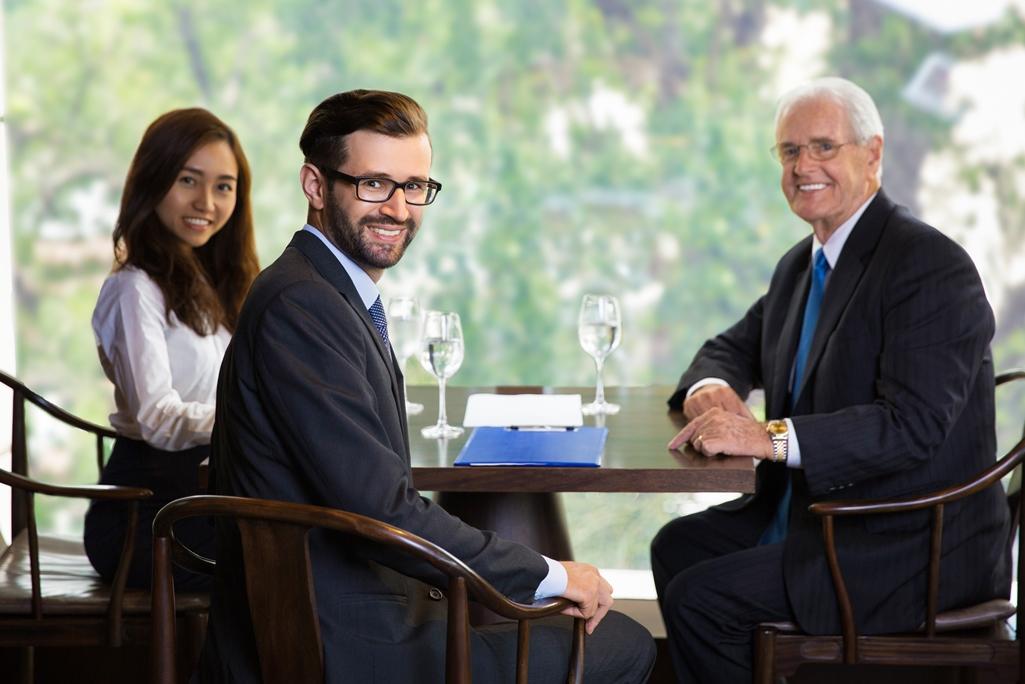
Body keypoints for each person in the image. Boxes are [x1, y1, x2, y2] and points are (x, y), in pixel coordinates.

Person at [199, 89, 655, 683]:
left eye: (415, 186)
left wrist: (528, 577)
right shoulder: (302, 306)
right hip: (341, 641)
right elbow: (384, 511)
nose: (398, 208)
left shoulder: (325, 291)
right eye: (374, 184)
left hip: (363, 608)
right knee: (624, 643)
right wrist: (555, 575)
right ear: (315, 185)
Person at [650, 77, 1009, 683]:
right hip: (820, 517)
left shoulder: (928, 266)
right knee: (674, 547)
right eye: (789, 152)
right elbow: (730, 348)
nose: (802, 166)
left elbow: (911, 427)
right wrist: (705, 387)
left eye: (823, 147)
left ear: (872, 154)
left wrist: (769, 437)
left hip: (908, 541)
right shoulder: (803, 264)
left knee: (702, 600)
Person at [85, 108, 259, 590]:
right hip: (145, 518)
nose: (206, 201)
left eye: (224, 186)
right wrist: (247, 420)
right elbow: (157, 418)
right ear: (153, 178)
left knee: (317, 542)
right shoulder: (134, 288)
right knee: (295, 557)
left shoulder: (218, 281)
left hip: (205, 498)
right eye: (188, 180)